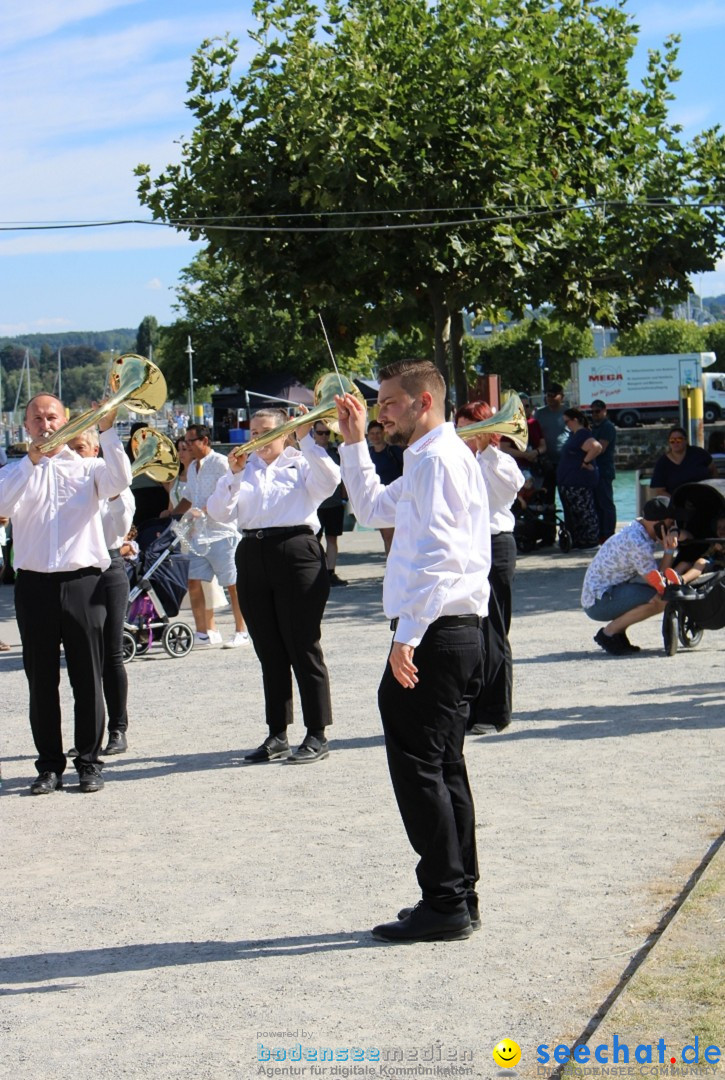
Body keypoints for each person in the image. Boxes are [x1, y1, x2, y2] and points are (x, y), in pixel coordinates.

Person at [335, 359, 490, 944]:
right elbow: (373, 510)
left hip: (437, 630)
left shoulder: (440, 459)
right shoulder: (428, 457)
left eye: (390, 403)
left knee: (421, 767)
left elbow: (440, 555)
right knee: (442, 765)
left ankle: (446, 900)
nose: (380, 412)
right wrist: (353, 446)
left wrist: (407, 636)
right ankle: (456, 894)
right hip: (443, 629)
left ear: (424, 402)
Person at [0, 394, 132, 794]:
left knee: (87, 677)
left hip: (83, 583)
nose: (46, 425)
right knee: (41, 680)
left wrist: (108, 430)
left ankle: (89, 762)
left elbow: (121, 479)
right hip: (35, 585)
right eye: (37, 419)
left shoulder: (90, 467)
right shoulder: (15, 471)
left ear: (66, 420)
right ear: (27, 427)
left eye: (52, 417)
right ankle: (49, 766)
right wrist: (33, 461)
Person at [206, 407, 340, 764]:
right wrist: (233, 474)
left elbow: (330, 481)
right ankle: (277, 732)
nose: (257, 439)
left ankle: (317, 732)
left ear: (285, 433)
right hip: (252, 550)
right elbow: (219, 511)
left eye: (265, 432)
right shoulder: (242, 469)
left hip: (296, 549)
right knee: (268, 648)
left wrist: (306, 440)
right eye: (253, 432)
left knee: (302, 643)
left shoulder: (301, 463)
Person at [456, 400, 524, 735]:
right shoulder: (458, 462)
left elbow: (507, 492)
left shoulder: (501, 462)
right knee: (471, 629)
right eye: (461, 427)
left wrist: (487, 450)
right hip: (467, 548)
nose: (465, 434)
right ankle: (470, 706)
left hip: (495, 545)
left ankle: (495, 711)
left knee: (494, 630)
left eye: (471, 427)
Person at [69, 428, 135, 756]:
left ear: (96, 450)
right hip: (76, 571)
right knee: (83, 657)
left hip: (108, 568)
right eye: (69, 448)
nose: (73, 454)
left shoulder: (114, 486)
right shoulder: (67, 485)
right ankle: (88, 734)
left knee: (111, 654)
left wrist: (111, 494)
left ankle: (118, 728)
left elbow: (122, 527)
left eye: (80, 448)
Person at [168, 423, 248, 649]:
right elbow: (189, 497)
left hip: (223, 533)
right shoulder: (192, 467)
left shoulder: (222, 463)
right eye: (185, 441)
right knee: (193, 582)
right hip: (198, 535)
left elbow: (233, 491)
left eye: (191, 441)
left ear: (205, 441)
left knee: (233, 584)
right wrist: (172, 515)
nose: (187, 445)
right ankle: (203, 633)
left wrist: (204, 510)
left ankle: (241, 630)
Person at [582, 496, 678, 655]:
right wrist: (669, 550)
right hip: (598, 601)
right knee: (660, 599)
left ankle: (618, 634)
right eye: (670, 523)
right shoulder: (638, 543)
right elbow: (658, 581)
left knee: (651, 595)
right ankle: (609, 633)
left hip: (604, 592)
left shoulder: (638, 527)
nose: (672, 527)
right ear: (659, 524)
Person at [557, 408, 602, 551]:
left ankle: (590, 541)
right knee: (575, 512)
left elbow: (596, 447)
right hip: (569, 481)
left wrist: (586, 462)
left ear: (575, 420)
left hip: (578, 482)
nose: (566, 425)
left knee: (584, 510)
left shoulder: (582, 434)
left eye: (567, 421)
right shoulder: (574, 434)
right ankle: (580, 540)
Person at [313, 421, 348, 586]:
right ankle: (317, 571)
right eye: (320, 433)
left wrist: (344, 497)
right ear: (314, 433)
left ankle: (330, 571)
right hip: (316, 504)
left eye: (327, 433)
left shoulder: (335, 452)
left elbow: (344, 477)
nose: (324, 436)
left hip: (334, 503)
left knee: (332, 538)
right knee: (314, 540)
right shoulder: (308, 452)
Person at [366, 419, 404, 555]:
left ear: (383, 433)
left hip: (397, 497)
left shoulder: (393, 451)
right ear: (368, 435)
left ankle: (394, 566)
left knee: (393, 536)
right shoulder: (368, 454)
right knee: (386, 536)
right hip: (378, 498)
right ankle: (391, 566)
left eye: (378, 433)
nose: (375, 436)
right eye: (372, 434)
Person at [649, 427, 717, 497]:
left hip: (704, 496)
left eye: (679, 439)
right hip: (678, 502)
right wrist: (674, 502)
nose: (675, 443)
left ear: (686, 440)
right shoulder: (662, 463)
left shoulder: (699, 453)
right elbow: (660, 491)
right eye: (672, 440)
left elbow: (713, 470)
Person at [589, 399, 617, 542]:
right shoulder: (593, 427)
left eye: (597, 411)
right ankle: (600, 533)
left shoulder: (607, 427)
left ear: (605, 411)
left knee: (606, 503)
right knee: (596, 503)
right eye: (592, 411)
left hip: (604, 470)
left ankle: (609, 533)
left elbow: (601, 447)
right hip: (594, 470)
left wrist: (585, 458)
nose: (594, 414)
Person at [534, 383, 568, 499]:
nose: (550, 398)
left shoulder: (568, 413)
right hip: (546, 463)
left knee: (567, 499)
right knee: (547, 499)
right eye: (548, 395)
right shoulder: (539, 414)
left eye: (553, 395)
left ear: (562, 397)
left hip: (564, 463)